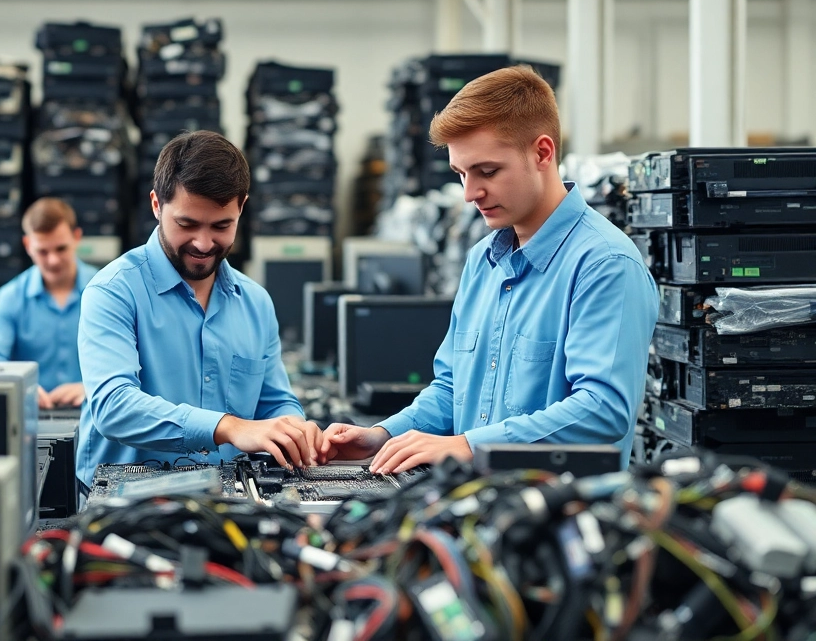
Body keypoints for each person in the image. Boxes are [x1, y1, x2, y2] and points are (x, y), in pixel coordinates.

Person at [319, 66, 657, 473]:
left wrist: (469, 446)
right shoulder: (483, 260)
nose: (469, 193)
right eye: (461, 173)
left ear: (542, 153)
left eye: (487, 171)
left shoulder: (605, 265)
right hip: (475, 503)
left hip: (554, 517)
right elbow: (451, 388)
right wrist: (384, 435)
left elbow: (602, 411)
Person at [76, 130, 322, 494]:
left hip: (226, 503)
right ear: (157, 205)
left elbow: (274, 400)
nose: (204, 244)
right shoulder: (113, 291)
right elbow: (114, 407)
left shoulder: (255, 302)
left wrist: (293, 429)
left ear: (241, 207)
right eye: (187, 224)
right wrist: (229, 426)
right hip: (124, 508)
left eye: (222, 226)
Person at [0, 197, 98, 409]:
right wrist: (21, 387)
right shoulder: (9, 298)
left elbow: (135, 362)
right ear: (27, 245)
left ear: (77, 237)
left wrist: (93, 388)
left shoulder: (105, 291)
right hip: (29, 418)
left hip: (96, 416)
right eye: (43, 251)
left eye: (61, 249)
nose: (52, 260)